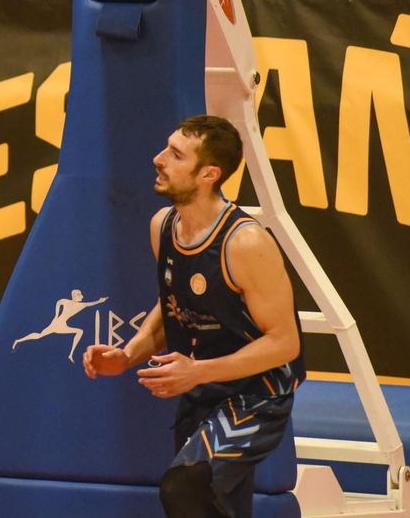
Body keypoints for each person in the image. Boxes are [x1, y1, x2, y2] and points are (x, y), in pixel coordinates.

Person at [83, 115, 305, 518]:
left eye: (175, 154)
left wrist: (198, 372)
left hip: (257, 393)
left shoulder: (246, 243)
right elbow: (172, 306)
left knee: (185, 486)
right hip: (202, 388)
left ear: (209, 174)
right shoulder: (162, 227)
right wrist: (127, 354)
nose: (158, 159)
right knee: (214, 506)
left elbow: (285, 342)